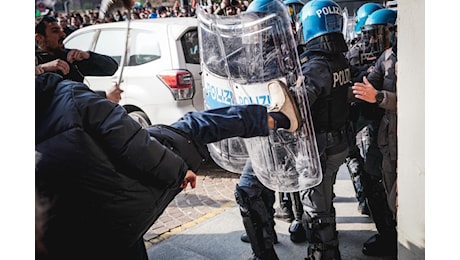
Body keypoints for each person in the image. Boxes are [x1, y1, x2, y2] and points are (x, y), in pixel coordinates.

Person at [35, 71, 301, 260]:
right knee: (195, 126)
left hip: (75, 238)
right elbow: (135, 144)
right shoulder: (67, 94)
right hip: (117, 211)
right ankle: (279, 118)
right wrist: (177, 170)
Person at [295, 0, 352, 258]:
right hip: (338, 142)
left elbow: (299, 106)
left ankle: (325, 253)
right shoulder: (340, 59)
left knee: (317, 209)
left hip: (320, 146)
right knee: (324, 197)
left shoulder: (316, 66)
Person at [351, 8, 398, 257]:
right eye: (370, 35)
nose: (372, 41)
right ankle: (389, 236)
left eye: (379, 34)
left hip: (404, 141)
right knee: (374, 181)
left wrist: (378, 96)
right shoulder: (386, 57)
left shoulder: (409, 58)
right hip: (383, 137)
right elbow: (370, 80)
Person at [35, 16, 122, 103]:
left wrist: (88, 56)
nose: (63, 35)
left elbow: (111, 68)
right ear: (39, 37)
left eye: (61, 30)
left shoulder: (69, 57)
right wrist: (41, 68)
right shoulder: (37, 61)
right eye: (55, 31)